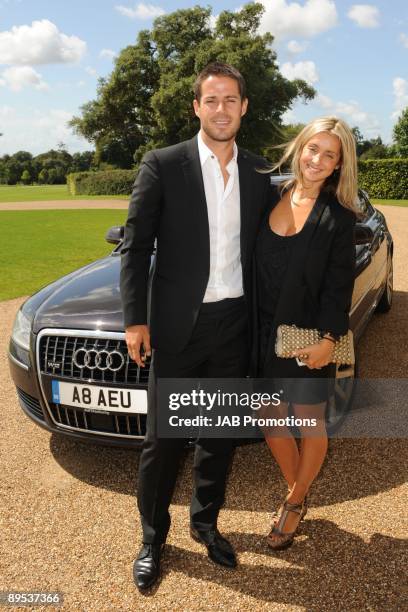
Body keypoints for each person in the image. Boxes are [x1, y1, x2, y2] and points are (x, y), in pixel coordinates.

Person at [120, 62, 271, 590]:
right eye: (212, 100)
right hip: (179, 328)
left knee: (218, 436)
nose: (222, 109)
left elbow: (274, 246)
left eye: (231, 99)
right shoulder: (163, 165)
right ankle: (152, 538)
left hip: (235, 324)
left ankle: (205, 524)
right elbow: (135, 246)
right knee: (163, 440)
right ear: (197, 107)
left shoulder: (258, 172)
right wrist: (135, 319)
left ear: (244, 107)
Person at [254, 116, 358, 550]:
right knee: (268, 419)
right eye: (312, 148)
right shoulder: (268, 196)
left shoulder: (338, 217)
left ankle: (294, 501)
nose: (317, 159)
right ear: (300, 149)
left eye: (328, 154)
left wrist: (329, 341)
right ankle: (299, 488)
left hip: (306, 338)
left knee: (306, 421)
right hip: (258, 331)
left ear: (337, 165)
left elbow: (339, 287)